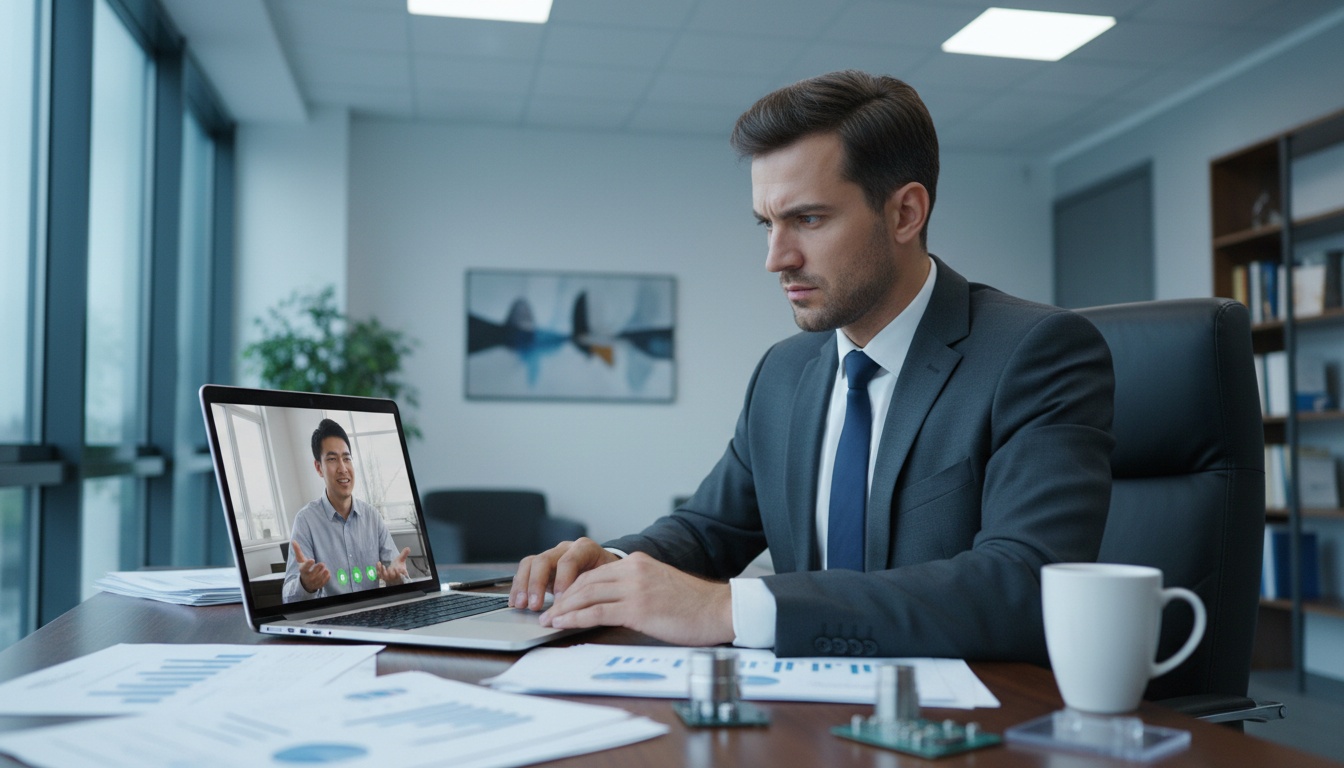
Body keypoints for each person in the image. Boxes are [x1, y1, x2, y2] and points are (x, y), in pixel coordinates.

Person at [510, 70, 1115, 664]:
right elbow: (705, 531)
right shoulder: (785, 371)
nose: (777, 258)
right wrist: (607, 567)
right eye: (767, 224)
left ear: (906, 213)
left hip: (970, 727)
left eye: (808, 219)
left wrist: (731, 610)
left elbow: (1022, 584)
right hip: (804, 717)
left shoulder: (1036, 352)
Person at [282, 418, 412, 603]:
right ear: (319, 467)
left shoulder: (372, 517)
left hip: (375, 615)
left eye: (347, 458)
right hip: (331, 622)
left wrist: (397, 579)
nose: (343, 468)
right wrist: (305, 584)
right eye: (333, 459)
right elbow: (287, 597)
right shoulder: (305, 521)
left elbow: (397, 573)